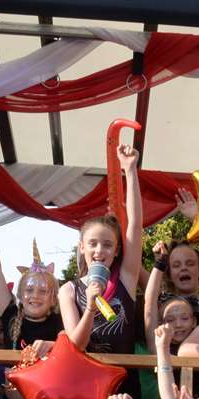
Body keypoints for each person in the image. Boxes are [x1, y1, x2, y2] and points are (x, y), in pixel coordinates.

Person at [0, 207, 63, 399]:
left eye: (43, 291)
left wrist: (53, 344)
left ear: (53, 298)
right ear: (20, 295)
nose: (35, 296)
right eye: (30, 290)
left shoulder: (59, 323)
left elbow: (76, 344)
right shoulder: (10, 316)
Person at [59, 145, 144, 362]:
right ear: (82, 247)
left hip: (125, 382)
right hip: (87, 382)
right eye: (93, 244)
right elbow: (76, 344)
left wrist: (131, 170)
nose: (99, 250)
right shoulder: (69, 290)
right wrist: (90, 306)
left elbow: (134, 225)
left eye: (107, 245)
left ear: (116, 251)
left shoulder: (125, 277)